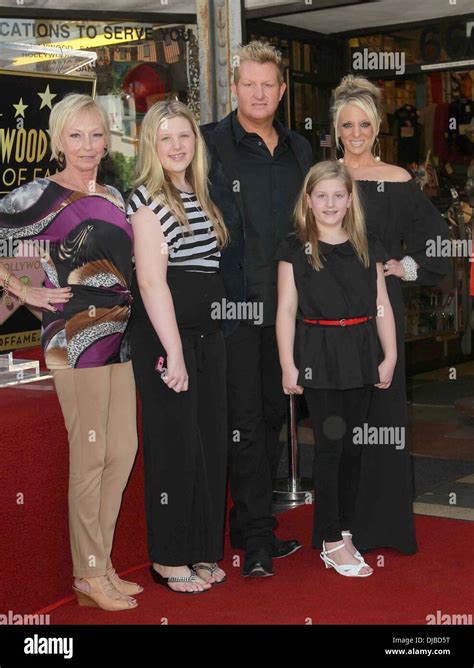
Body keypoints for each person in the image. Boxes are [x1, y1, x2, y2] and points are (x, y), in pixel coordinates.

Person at [0, 94, 141, 611]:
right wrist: (28, 290)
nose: (88, 145)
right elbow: (7, 248)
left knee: (121, 450)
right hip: (74, 338)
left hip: (122, 336)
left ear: (108, 139)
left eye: (96, 134)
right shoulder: (38, 194)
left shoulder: (116, 195)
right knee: (90, 456)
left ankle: (100, 566)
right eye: (76, 135)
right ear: (58, 140)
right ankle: (88, 575)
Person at [201, 41, 312, 578]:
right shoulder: (207, 145)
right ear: (235, 87)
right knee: (243, 421)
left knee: (273, 417)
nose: (260, 93)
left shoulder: (300, 150)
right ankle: (255, 541)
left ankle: (256, 522)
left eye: (269, 84)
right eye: (250, 84)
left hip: (289, 311)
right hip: (232, 310)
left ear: (282, 90)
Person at [331, 75, 449, 554]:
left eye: (364, 124)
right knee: (338, 419)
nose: (355, 133)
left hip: (380, 309)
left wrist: (407, 265)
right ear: (336, 130)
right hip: (329, 313)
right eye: (346, 125)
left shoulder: (398, 180)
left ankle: (381, 527)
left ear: (377, 127)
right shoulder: (324, 178)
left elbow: (438, 242)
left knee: (382, 415)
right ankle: (338, 528)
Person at [276, 160, 397, 576]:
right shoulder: (295, 248)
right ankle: (329, 539)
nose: (330, 203)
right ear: (308, 201)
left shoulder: (367, 244)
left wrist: (391, 354)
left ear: (350, 200)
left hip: (361, 353)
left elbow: (381, 304)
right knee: (329, 449)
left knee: (352, 449)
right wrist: (287, 365)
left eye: (338, 195)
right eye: (321, 196)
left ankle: (343, 528)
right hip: (318, 357)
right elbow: (286, 310)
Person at [128, 100, 229, 594]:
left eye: (183, 136)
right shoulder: (145, 199)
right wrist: (176, 352)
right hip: (168, 341)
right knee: (173, 449)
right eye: (165, 138)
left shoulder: (198, 192)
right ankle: (168, 559)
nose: (176, 146)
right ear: (150, 144)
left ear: (196, 141)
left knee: (208, 445)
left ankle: (201, 549)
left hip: (208, 338)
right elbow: (151, 282)